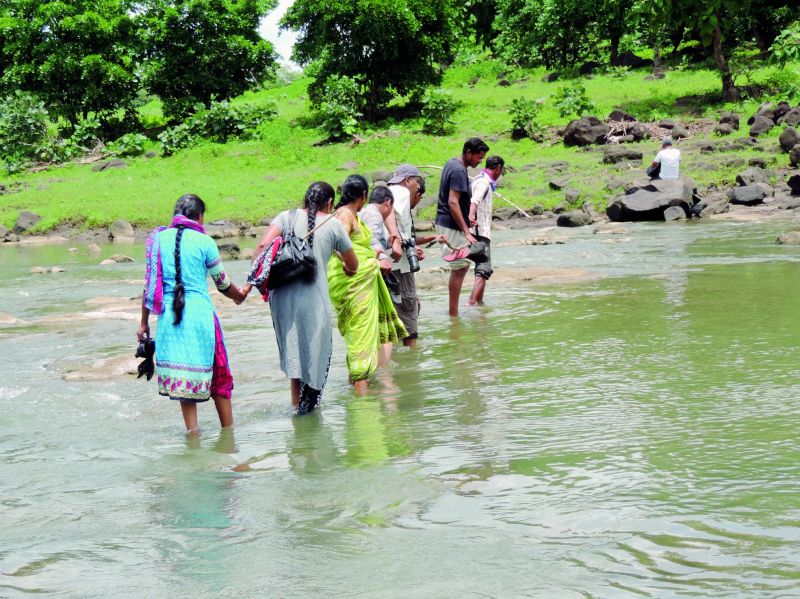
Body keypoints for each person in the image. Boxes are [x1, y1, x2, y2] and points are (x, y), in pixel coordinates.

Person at [137, 194, 247, 435]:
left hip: (169, 319)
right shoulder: (204, 242)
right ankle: (228, 435)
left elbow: (149, 285)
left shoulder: (157, 240)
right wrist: (239, 295)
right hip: (200, 318)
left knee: (183, 375)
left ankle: (193, 433)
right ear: (200, 216)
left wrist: (143, 323)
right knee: (219, 374)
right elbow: (222, 282)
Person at [245, 182, 358, 415]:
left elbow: (263, 245)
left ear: (305, 199)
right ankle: (309, 410)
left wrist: (256, 278)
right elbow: (352, 262)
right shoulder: (333, 225)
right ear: (329, 203)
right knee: (315, 351)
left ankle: (296, 406)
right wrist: (348, 268)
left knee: (294, 350)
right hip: (313, 299)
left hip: (281, 298)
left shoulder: (285, 217)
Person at [328, 175, 407, 391]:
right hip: (354, 284)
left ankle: (361, 386)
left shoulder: (352, 214)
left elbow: (354, 245)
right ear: (363, 196)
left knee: (361, 338)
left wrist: (376, 252)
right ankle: (362, 401)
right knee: (360, 339)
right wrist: (352, 264)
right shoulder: (345, 213)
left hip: (360, 282)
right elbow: (338, 242)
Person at [384, 165, 447, 346]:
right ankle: (412, 359)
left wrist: (405, 243)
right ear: (408, 180)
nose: (417, 192)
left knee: (394, 313)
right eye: (417, 186)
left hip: (385, 263)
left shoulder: (385, 193)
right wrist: (398, 241)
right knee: (410, 312)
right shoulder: (401, 192)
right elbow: (391, 219)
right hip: (398, 267)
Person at [435, 137, 489, 317]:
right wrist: (466, 231)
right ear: (467, 152)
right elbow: (452, 202)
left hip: (447, 223)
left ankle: (454, 312)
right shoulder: (459, 170)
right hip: (451, 225)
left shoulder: (452, 164)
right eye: (478, 157)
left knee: (461, 265)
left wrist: (467, 218)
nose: (479, 161)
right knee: (459, 268)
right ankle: (453, 314)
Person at [467, 155, 504, 307]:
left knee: (481, 269)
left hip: (477, 230)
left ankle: (479, 303)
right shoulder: (483, 182)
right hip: (480, 231)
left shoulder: (479, 179)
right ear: (498, 168)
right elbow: (474, 201)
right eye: (501, 170)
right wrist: (471, 215)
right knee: (484, 269)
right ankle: (472, 303)